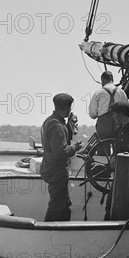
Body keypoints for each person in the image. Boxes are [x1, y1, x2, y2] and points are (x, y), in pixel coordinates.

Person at [40, 93, 82, 221]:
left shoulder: (51, 121)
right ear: (68, 108)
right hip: (57, 172)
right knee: (57, 205)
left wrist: (69, 125)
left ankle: (63, 231)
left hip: (51, 168)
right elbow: (60, 152)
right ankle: (48, 233)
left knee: (64, 204)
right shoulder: (57, 125)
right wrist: (75, 147)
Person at [88, 71, 129, 140]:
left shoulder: (98, 92)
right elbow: (127, 111)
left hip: (103, 127)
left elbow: (92, 114)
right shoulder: (122, 92)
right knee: (119, 147)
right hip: (118, 125)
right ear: (112, 80)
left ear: (102, 80)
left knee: (103, 147)